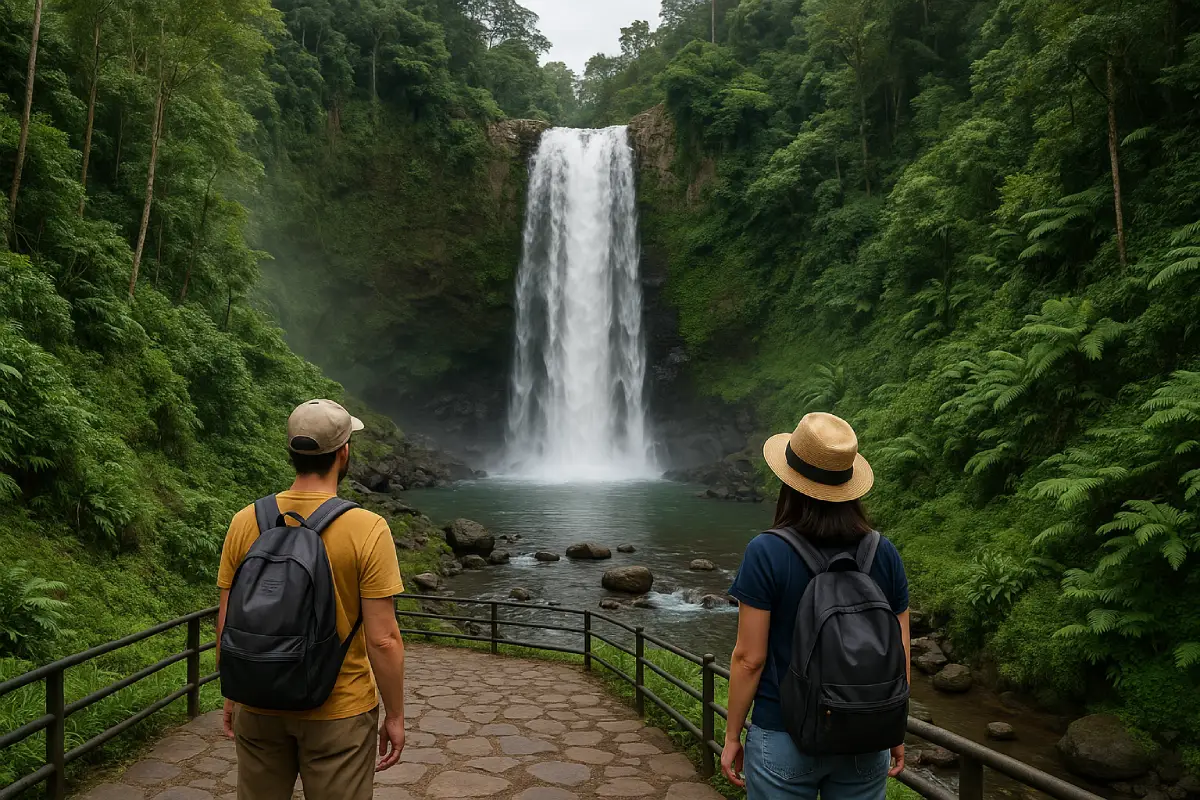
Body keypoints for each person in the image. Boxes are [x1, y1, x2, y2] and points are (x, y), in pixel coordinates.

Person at [215, 399, 407, 800]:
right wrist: (396, 714)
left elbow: (228, 620)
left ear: (291, 453)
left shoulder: (245, 520)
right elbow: (383, 638)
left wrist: (235, 691)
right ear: (343, 453)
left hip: (260, 700)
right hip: (340, 710)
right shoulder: (367, 528)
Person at [721, 412, 911, 798]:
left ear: (788, 482)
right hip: (864, 732)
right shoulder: (883, 552)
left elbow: (749, 659)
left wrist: (732, 733)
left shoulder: (767, 551)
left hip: (783, 733)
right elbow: (900, 651)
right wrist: (893, 727)